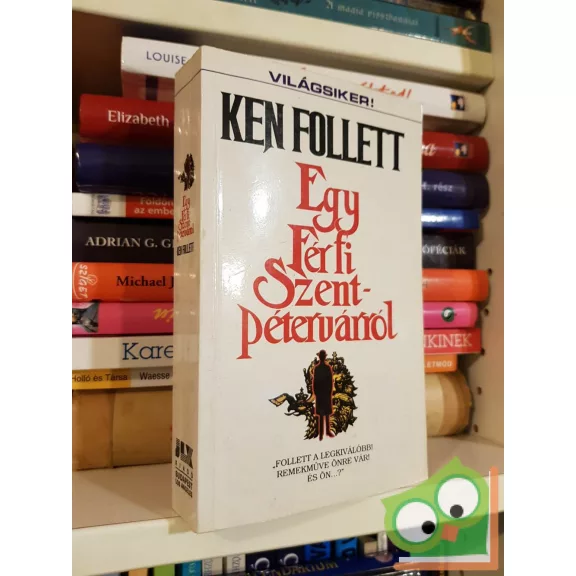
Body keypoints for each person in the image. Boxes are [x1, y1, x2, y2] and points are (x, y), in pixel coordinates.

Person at [311, 350, 335, 441]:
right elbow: (315, 382)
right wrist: (316, 392)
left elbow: (330, 381)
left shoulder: (325, 368)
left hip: (324, 393)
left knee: (326, 414)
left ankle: (326, 432)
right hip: (322, 393)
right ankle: (322, 433)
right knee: (323, 414)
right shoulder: (318, 368)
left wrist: (328, 392)